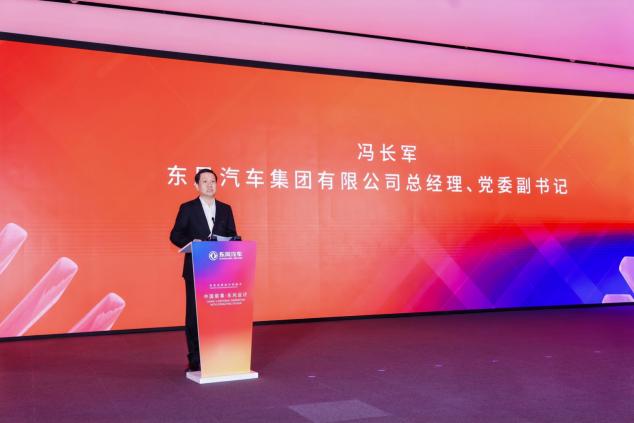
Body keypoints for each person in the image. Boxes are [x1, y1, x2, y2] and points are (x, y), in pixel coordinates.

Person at [169, 168, 237, 372]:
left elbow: (233, 235)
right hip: (196, 267)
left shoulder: (225, 209)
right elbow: (175, 235)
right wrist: (193, 242)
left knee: (219, 314)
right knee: (194, 315)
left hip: (219, 270)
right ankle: (195, 357)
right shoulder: (188, 208)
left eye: (213, 181)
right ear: (196, 185)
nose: (209, 185)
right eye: (205, 181)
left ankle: (218, 354)